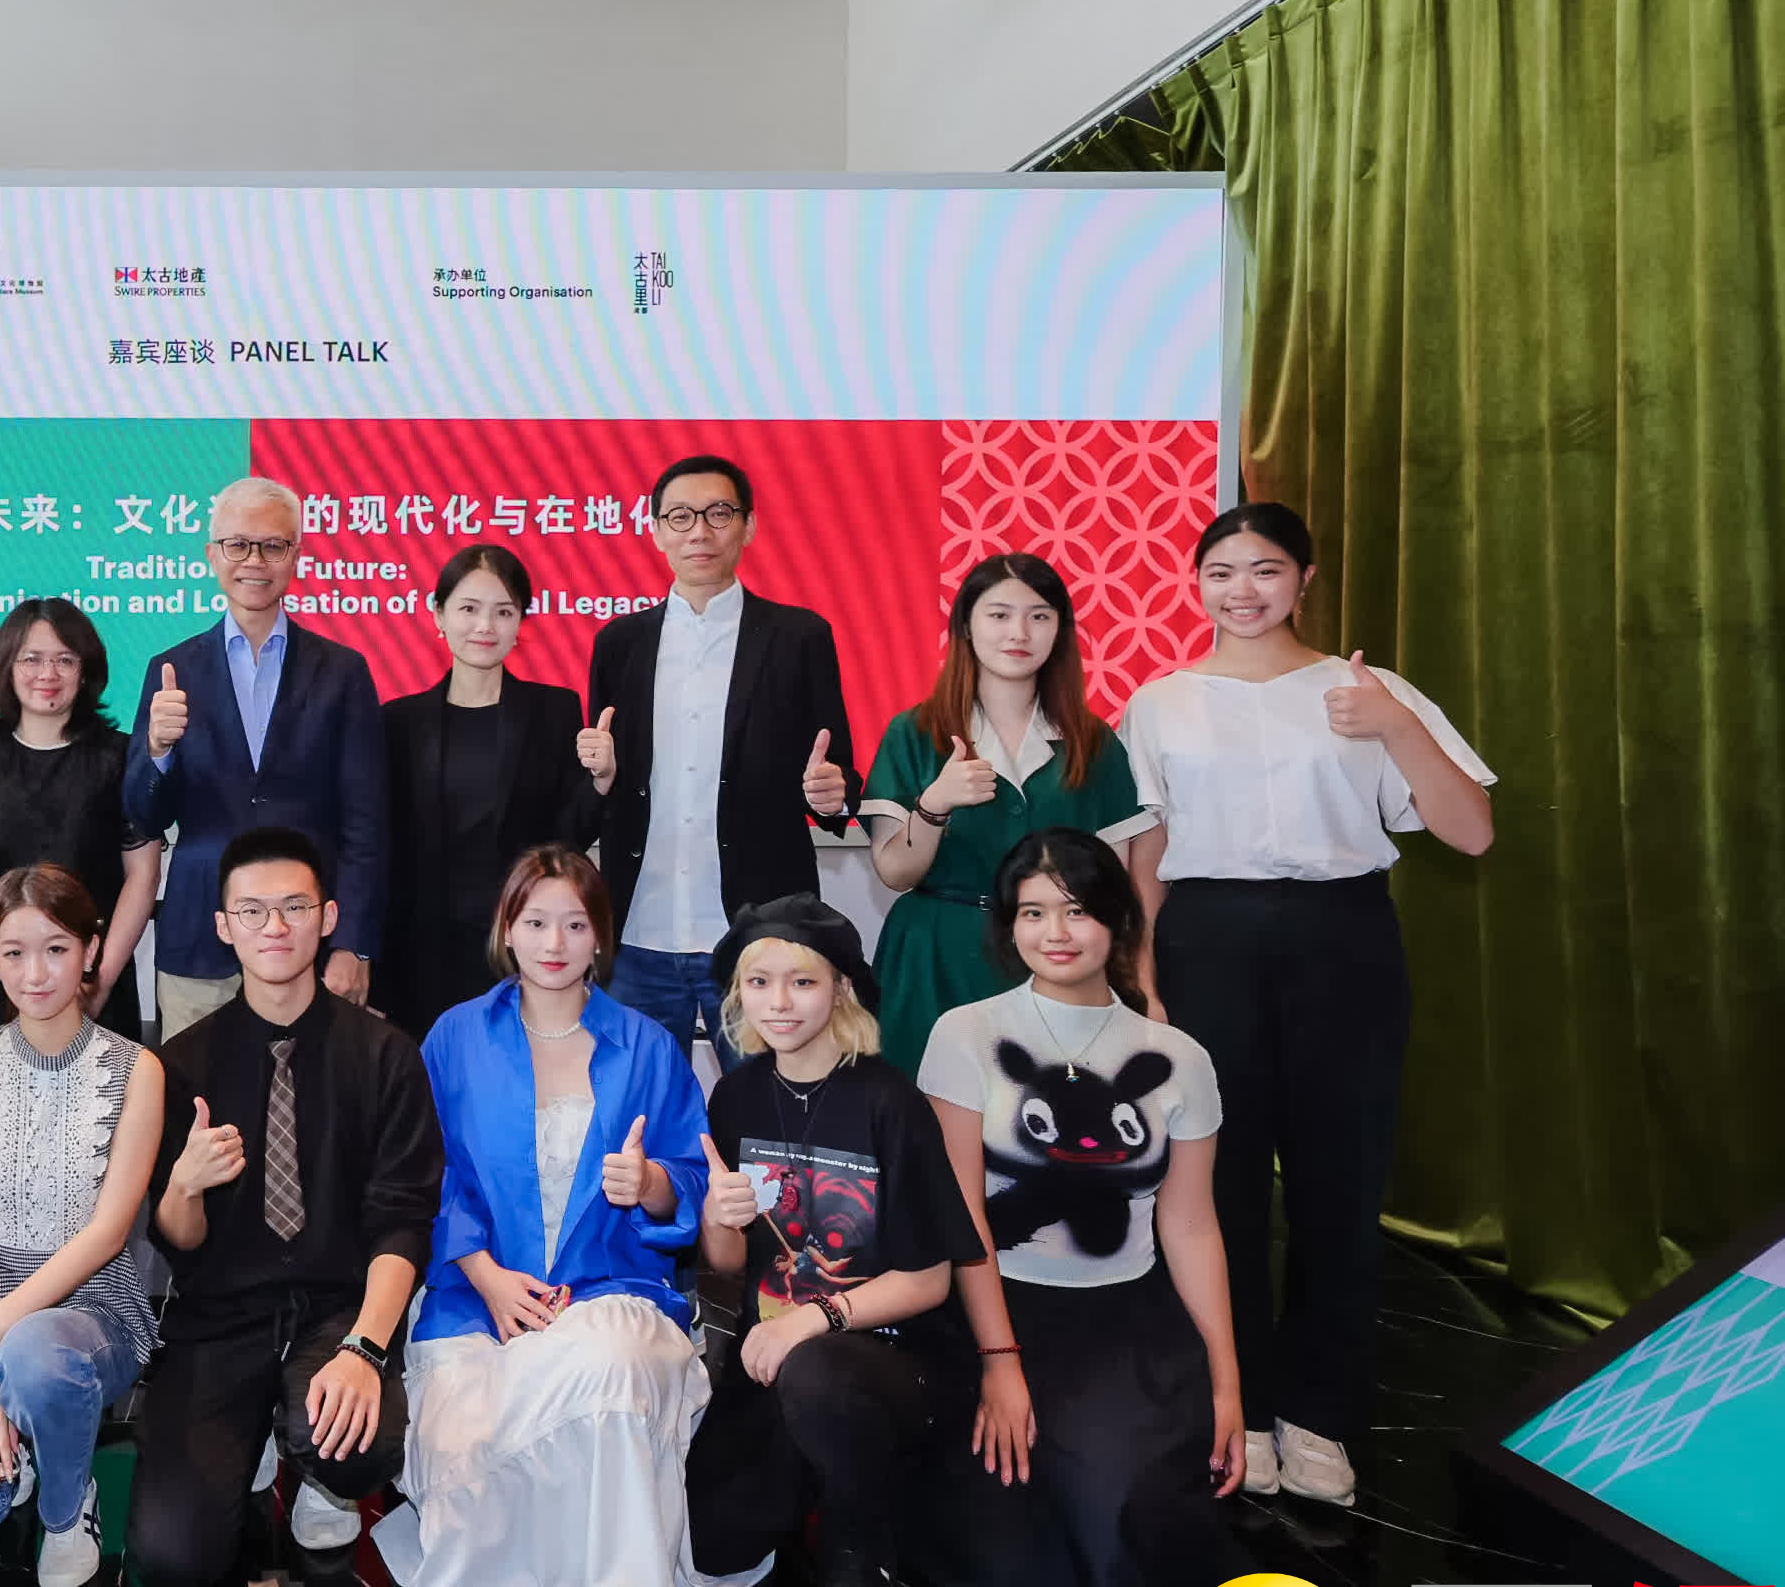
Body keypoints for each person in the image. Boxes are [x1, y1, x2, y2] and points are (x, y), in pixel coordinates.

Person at [1121, 501, 1495, 1509]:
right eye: (1220, 572)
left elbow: (1470, 832)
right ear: (1194, 583)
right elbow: (1147, 853)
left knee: (1339, 1180)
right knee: (1218, 1182)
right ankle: (1236, 1405)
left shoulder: (1367, 690)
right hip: (1206, 941)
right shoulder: (1158, 703)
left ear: (1305, 578)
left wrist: (1395, 725)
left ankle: (1321, 1413)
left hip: (1343, 938)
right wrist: (1144, 979)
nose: (1241, 591)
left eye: (1265, 570)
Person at [917, 829, 1248, 1587]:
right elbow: (962, 1218)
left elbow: (1191, 1227)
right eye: (1032, 913)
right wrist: (1000, 1362)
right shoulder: (966, 1034)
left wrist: (1227, 1384)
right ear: (1007, 926)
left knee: (1129, 1504)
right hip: (996, 1310)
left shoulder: (1180, 1059)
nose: (1055, 933)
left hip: (1126, 1320)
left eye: (1076, 910)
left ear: (1119, 921)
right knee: (1025, 1510)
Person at [372, 847, 713, 1587]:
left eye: (575, 925)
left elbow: (690, 1177)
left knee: (608, 1365)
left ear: (601, 938)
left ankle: (613, 1576)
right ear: (507, 931)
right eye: (535, 923)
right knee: (465, 1444)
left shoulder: (647, 1045)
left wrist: (650, 1183)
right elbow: (424, 1173)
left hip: (610, 1288)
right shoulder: (457, 1038)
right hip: (476, 1297)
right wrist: (487, 1276)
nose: (554, 943)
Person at [132, 827, 443, 1587]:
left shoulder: (385, 1056)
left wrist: (366, 1348)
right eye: (253, 910)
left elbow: (404, 1221)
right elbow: (179, 1243)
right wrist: (185, 1186)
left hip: (336, 1312)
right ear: (223, 926)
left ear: (328, 916)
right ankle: (258, 1434)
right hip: (221, 1317)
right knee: (173, 1557)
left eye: (295, 907)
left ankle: (319, 1470)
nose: (274, 927)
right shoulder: (181, 1063)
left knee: (355, 1450)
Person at [683, 894, 985, 1587]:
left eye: (802, 982)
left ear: (842, 988)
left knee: (818, 1376)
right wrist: (719, 1218)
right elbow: (727, 1264)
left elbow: (930, 1280)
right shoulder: (737, 1095)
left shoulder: (890, 1101)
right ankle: (812, 1478)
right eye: (760, 983)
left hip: (890, 1357)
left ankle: (860, 1534)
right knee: (712, 1543)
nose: (779, 1003)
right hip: (771, 1355)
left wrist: (812, 1322)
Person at [0, 866, 166, 1587]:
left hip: (89, 1310)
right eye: (14, 953)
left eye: (55, 949)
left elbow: (108, 1234)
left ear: (91, 950)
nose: (35, 973)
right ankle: (13, 1439)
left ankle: (66, 1509)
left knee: (37, 1354)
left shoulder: (136, 1070)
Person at [582, 455, 861, 1063]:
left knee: (767, 1105)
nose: (699, 532)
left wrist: (832, 795)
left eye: (718, 513)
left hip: (758, 938)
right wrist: (598, 777)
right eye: (680, 517)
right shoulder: (619, 643)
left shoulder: (799, 637)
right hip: (639, 933)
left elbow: (838, 774)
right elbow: (599, 786)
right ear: (656, 531)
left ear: (748, 526)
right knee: (637, 1107)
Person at [860, 555, 1153, 1076]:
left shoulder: (1093, 742)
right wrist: (934, 804)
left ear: (1059, 630)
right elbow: (895, 872)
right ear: (965, 627)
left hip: (1053, 958)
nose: (1019, 632)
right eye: (998, 615)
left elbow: (1114, 888)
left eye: (1039, 616)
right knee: (928, 1110)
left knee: (1046, 1110)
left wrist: (1136, 983)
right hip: (935, 957)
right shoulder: (915, 732)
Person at [123, 478, 388, 1037]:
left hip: (309, 938)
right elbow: (143, 817)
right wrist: (157, 751)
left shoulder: (343, 672)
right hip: (201, 937)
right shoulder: (172, 669)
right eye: (238, 544)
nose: (255, 561)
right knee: (195, 1089)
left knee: (313, 1091)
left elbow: (367, 824)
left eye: (273, 546)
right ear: (212, 554)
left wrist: (354, 944)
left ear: (296, 554)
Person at [380, 547, 599, 1039]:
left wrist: (601, 782)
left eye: (503, 612)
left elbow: (567, 840)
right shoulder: (397, 722)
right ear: (439, 615)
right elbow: (380, 846)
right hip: (420, 955)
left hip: (520, 950)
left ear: (520, 621)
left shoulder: (554, 712)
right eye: (468, 608)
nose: (485, 626)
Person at [0, 598, 160, 1042]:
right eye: (31, 659)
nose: (47, 673)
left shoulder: (120, 755)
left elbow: (143, 876)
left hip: (89, 976)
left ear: (85, 671)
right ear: (6, 668)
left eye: (64, 660)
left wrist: (99, 979)